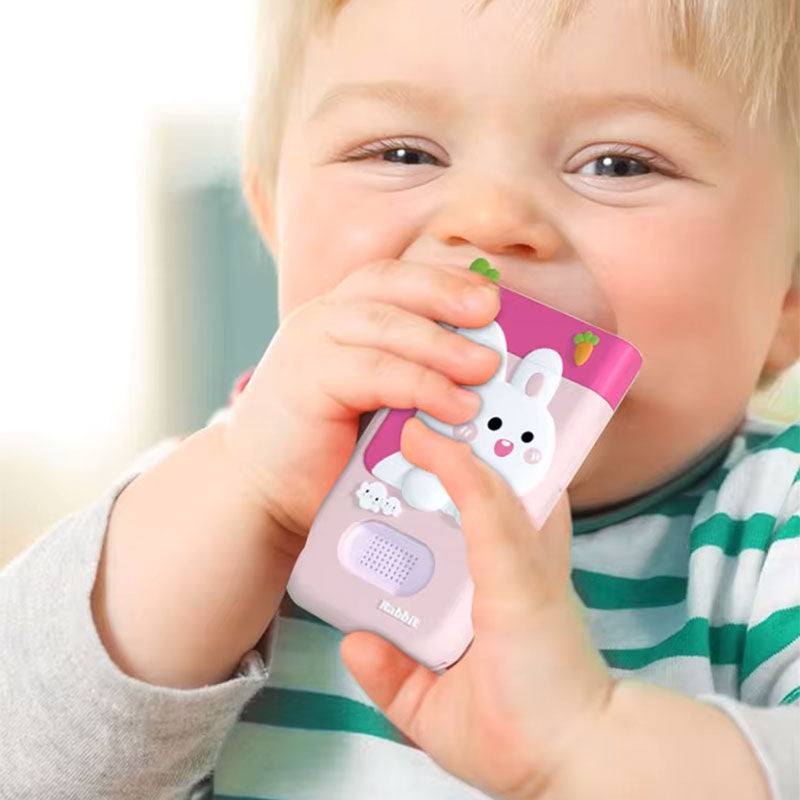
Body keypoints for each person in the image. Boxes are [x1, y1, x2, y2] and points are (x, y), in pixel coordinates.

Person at [2, 0, 798, 798]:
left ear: (789, 293)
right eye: (402, 152)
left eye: (619, 165)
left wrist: (587, 741)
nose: (489, 223)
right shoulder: (220, 500)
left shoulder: (771, 536)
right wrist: (251, 491)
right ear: (276, 225)